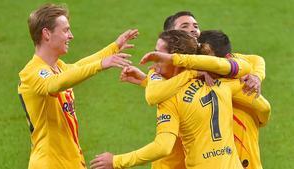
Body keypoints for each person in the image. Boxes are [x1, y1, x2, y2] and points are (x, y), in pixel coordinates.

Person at [90, 30, 269, 169]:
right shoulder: (221, 82)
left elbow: (163, 147)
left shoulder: (168, 98)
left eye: (158, 53)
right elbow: (254, 86)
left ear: (173, 58)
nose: (154, 57)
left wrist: (116, 161)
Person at [18, 3, 138, 169]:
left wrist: (113, 47)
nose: (71, 36)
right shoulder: (31, 72)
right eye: (65, 30)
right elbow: (54, 84)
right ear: (46, 34)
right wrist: (101, 64)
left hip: (71, 162)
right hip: (50, 164)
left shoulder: (59, 67)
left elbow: (80, 66)